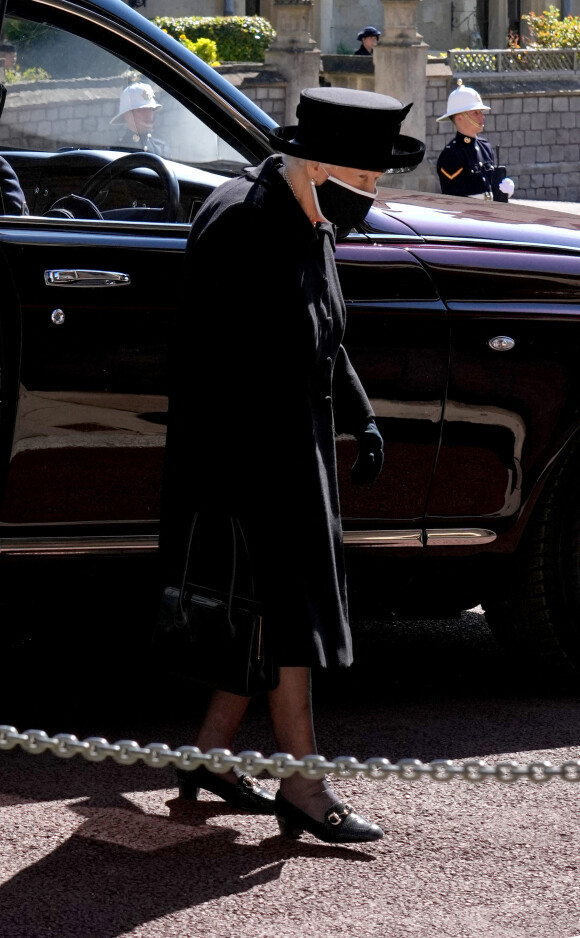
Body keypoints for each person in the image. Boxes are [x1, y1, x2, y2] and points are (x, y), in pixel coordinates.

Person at [159, 86, 424, 845]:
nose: (370, 195)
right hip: (250, 458)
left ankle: (208, 755)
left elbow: (325, 334)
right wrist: (261, 477)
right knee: (290, 625)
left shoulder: (305, 208)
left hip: (291, 444)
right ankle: (304, 786)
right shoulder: (243, 223)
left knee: (266, 619)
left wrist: (359, 413)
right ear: (317, 162)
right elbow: (223, 370)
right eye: (365, 179)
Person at [436, 80, 515, 202]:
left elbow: (489, 189)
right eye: (475, 113)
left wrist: (503, 192)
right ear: (460, 118)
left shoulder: (485, 147)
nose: (482, 117)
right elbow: (456, 201)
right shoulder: (451, 155)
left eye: (481, 112)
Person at [110, 81, 170, 157]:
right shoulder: (116, 152)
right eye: (143, 109)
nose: (149, 114)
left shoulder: (162, 149)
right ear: (127, 115)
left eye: (151, 109)